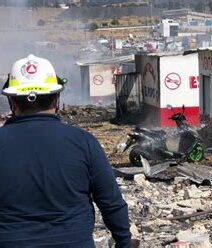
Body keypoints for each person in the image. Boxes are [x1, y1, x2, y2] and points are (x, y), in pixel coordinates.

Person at [0, 55, 131, 247]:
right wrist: (124, 243)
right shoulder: (84, 142)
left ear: (12, 101)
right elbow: (111, 203)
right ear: (57, 99)